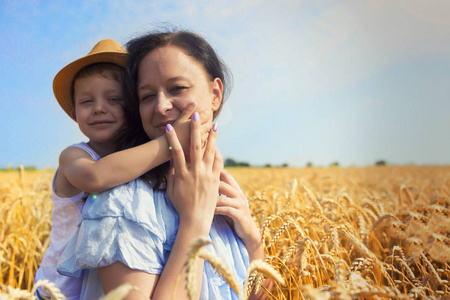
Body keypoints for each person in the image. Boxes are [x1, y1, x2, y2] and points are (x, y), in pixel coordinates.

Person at [58, 30, 266, 300]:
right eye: (146, 97)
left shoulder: (224, 187)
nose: (161, 106)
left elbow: (256, 295)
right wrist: (195, 222)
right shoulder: (124, 200)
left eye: (177, 88)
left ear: (215, 94)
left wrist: (253, 240)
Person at [35, 39, 200, 300]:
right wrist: (173, 141)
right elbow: (96, 176)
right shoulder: (73, 156)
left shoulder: (137, 162)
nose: (99, 107)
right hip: (61, 287)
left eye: (113, 99)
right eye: (87, 101)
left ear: (133, 108)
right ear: (74, 113)